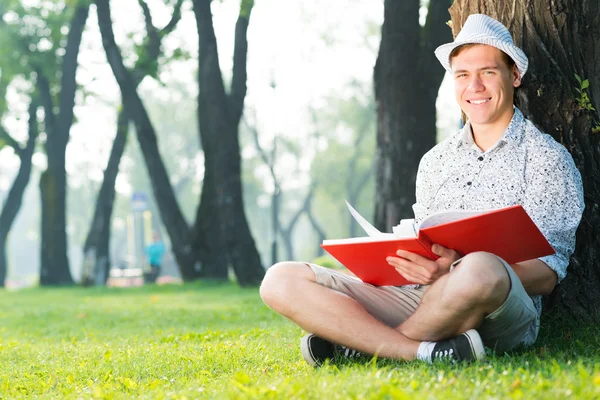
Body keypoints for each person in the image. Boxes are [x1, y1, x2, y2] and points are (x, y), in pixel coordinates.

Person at [259, 14, 585, 366]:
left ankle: (361, 343)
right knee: (280, 279)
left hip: (494, 304)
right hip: (418, 296)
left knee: (479, 268)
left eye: (488, 72)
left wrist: (454, 269)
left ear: (514, 75)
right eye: (462, 75)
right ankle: (422, 351)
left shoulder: (546, 158)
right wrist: (401, 262)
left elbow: (547, 274)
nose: (474, 86)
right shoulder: (435, 161)